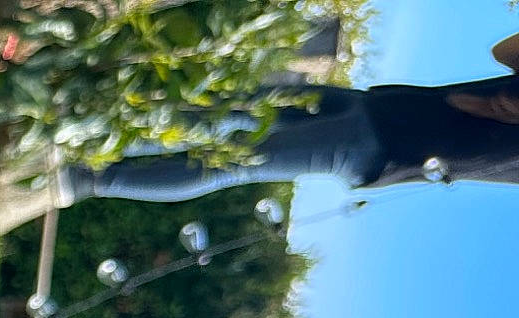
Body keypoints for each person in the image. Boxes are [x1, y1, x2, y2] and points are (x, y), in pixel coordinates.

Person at [56, 32, 519, 204]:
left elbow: (476, 106)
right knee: (231, 109)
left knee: (234, 161)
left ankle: (89, 180)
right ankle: (96, 135)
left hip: (382, 148)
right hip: (373, 105)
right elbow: (505, 51)